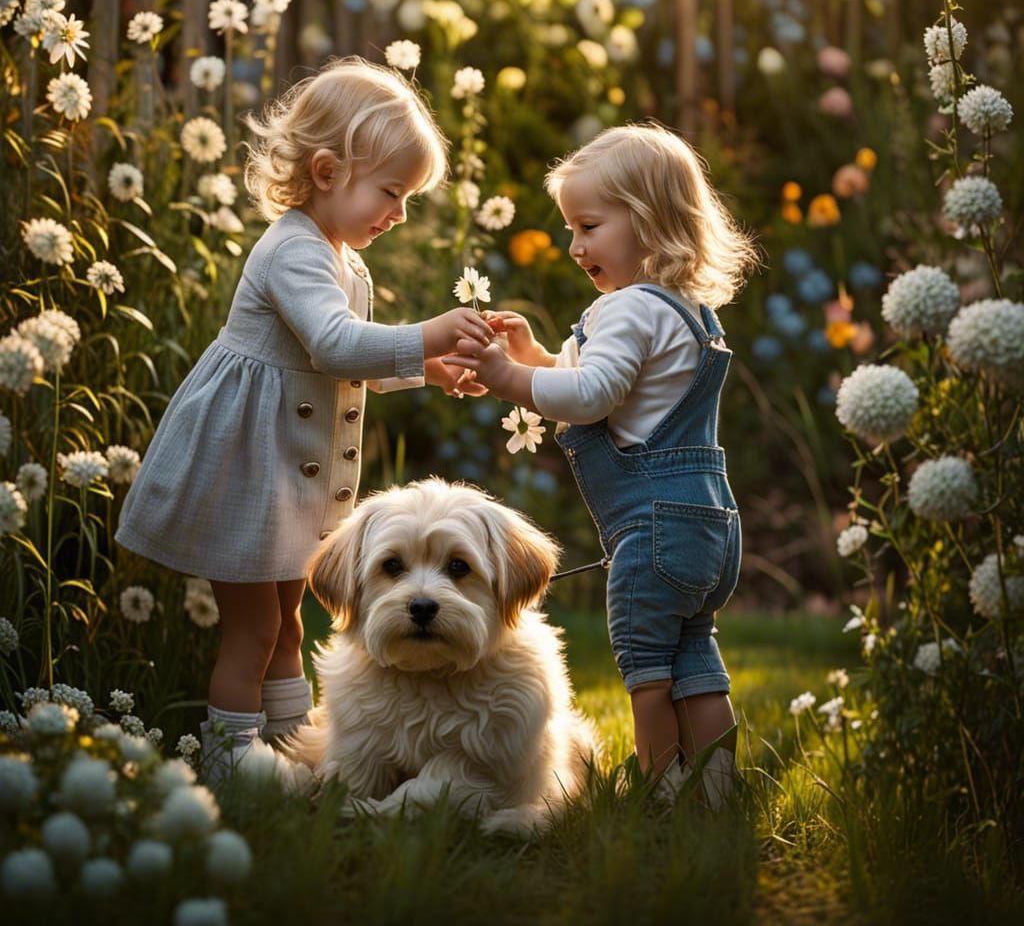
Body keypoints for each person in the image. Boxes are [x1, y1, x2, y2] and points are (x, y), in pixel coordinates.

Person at [116, 57, 492, 781]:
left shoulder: (342, 257)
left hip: (287, 477)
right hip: (247, 470)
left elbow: (347, 362)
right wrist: (430, 335)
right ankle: (230, 769)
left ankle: (295, 756)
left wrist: (428, 368)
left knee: (288, 624)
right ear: (327, 172)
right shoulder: (292, 249)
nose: (399, 213)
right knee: (255, 630)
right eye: (391, 192)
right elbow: (335, 343)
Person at [444, 123, 757, 806]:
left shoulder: (626, 308)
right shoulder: (688, 313)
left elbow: (589, 397)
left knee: (647, 671)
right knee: (694, 657)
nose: (575, 246)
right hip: (710, 523)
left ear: (649, 222)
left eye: (589, 226)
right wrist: (534, 359)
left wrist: (506, 378)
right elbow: (611, 392)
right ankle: (717, 793)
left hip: (654, 530)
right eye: (571, 229)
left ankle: (659, 792)